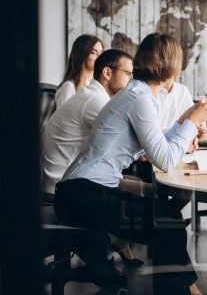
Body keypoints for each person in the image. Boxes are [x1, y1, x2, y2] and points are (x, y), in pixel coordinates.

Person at [54, 33, 207, 294]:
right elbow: (164, 159)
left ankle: (187, 289)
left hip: (80, 190)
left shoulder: (137, 94)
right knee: (169, 225)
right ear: (169, 67)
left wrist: (187, 120)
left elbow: (156, 141)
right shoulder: (140, 99)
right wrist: (189, 123)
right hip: (82, 195)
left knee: (168, 219)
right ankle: (187, 290)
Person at [41, 49, 144, 266]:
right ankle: (105, 255)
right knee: (137, 195)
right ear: (108, 72)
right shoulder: (95, 101)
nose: (131, 81)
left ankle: (111, 253)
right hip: (65, 187)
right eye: (128, 74)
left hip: (67, 179)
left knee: (137, 187)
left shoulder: (91, 95)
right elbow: (131, 138)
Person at [55, 34, 103, 109]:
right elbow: (63, 119)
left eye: (101, 53)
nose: (99, 57)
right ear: (82, 54)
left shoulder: (97, 86)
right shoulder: (69, 87)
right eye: (93, 52)